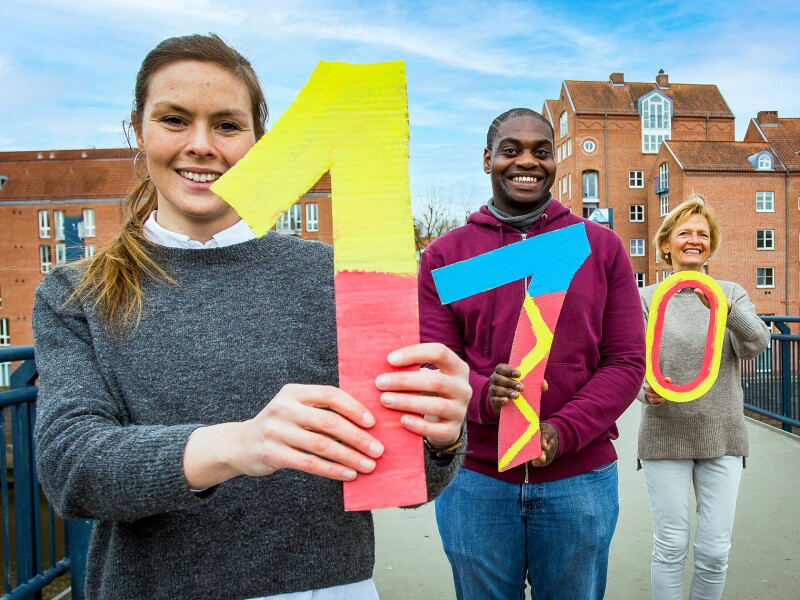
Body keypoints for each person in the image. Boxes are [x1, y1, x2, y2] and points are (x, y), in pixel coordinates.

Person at [32, 33, 471, 600]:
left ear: (259, 142)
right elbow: (71, 470)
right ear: (137, 131)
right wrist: (239, 445)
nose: (201, 145)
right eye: (173, 119)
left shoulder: (338, 277)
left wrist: (438, 437)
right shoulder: (75, 292)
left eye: (227, 125)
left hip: (324, 587)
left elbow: (408, 487)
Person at [417, 107, 646, 600]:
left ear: (554, 162)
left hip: (579, 478)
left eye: (541, 152)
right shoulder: (447, 256)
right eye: (511, 150)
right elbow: (435, 361)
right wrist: (483, 395)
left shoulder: (600, 248)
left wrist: (561, 432)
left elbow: (626, 361)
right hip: (476, 478)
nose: (527, 161)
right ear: (487, 159)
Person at [637, 197, 770, 600]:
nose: (694, 240)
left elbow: (758, 343)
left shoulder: (732, 292)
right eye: (684, 233)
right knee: (671, 546)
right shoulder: (645, 298)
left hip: (722, 433)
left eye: (702, 234)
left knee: (714, 551)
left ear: (710, 245)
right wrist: (645, 391)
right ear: (666, 244)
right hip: (665, 433)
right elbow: (631, 362)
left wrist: (725, 309)